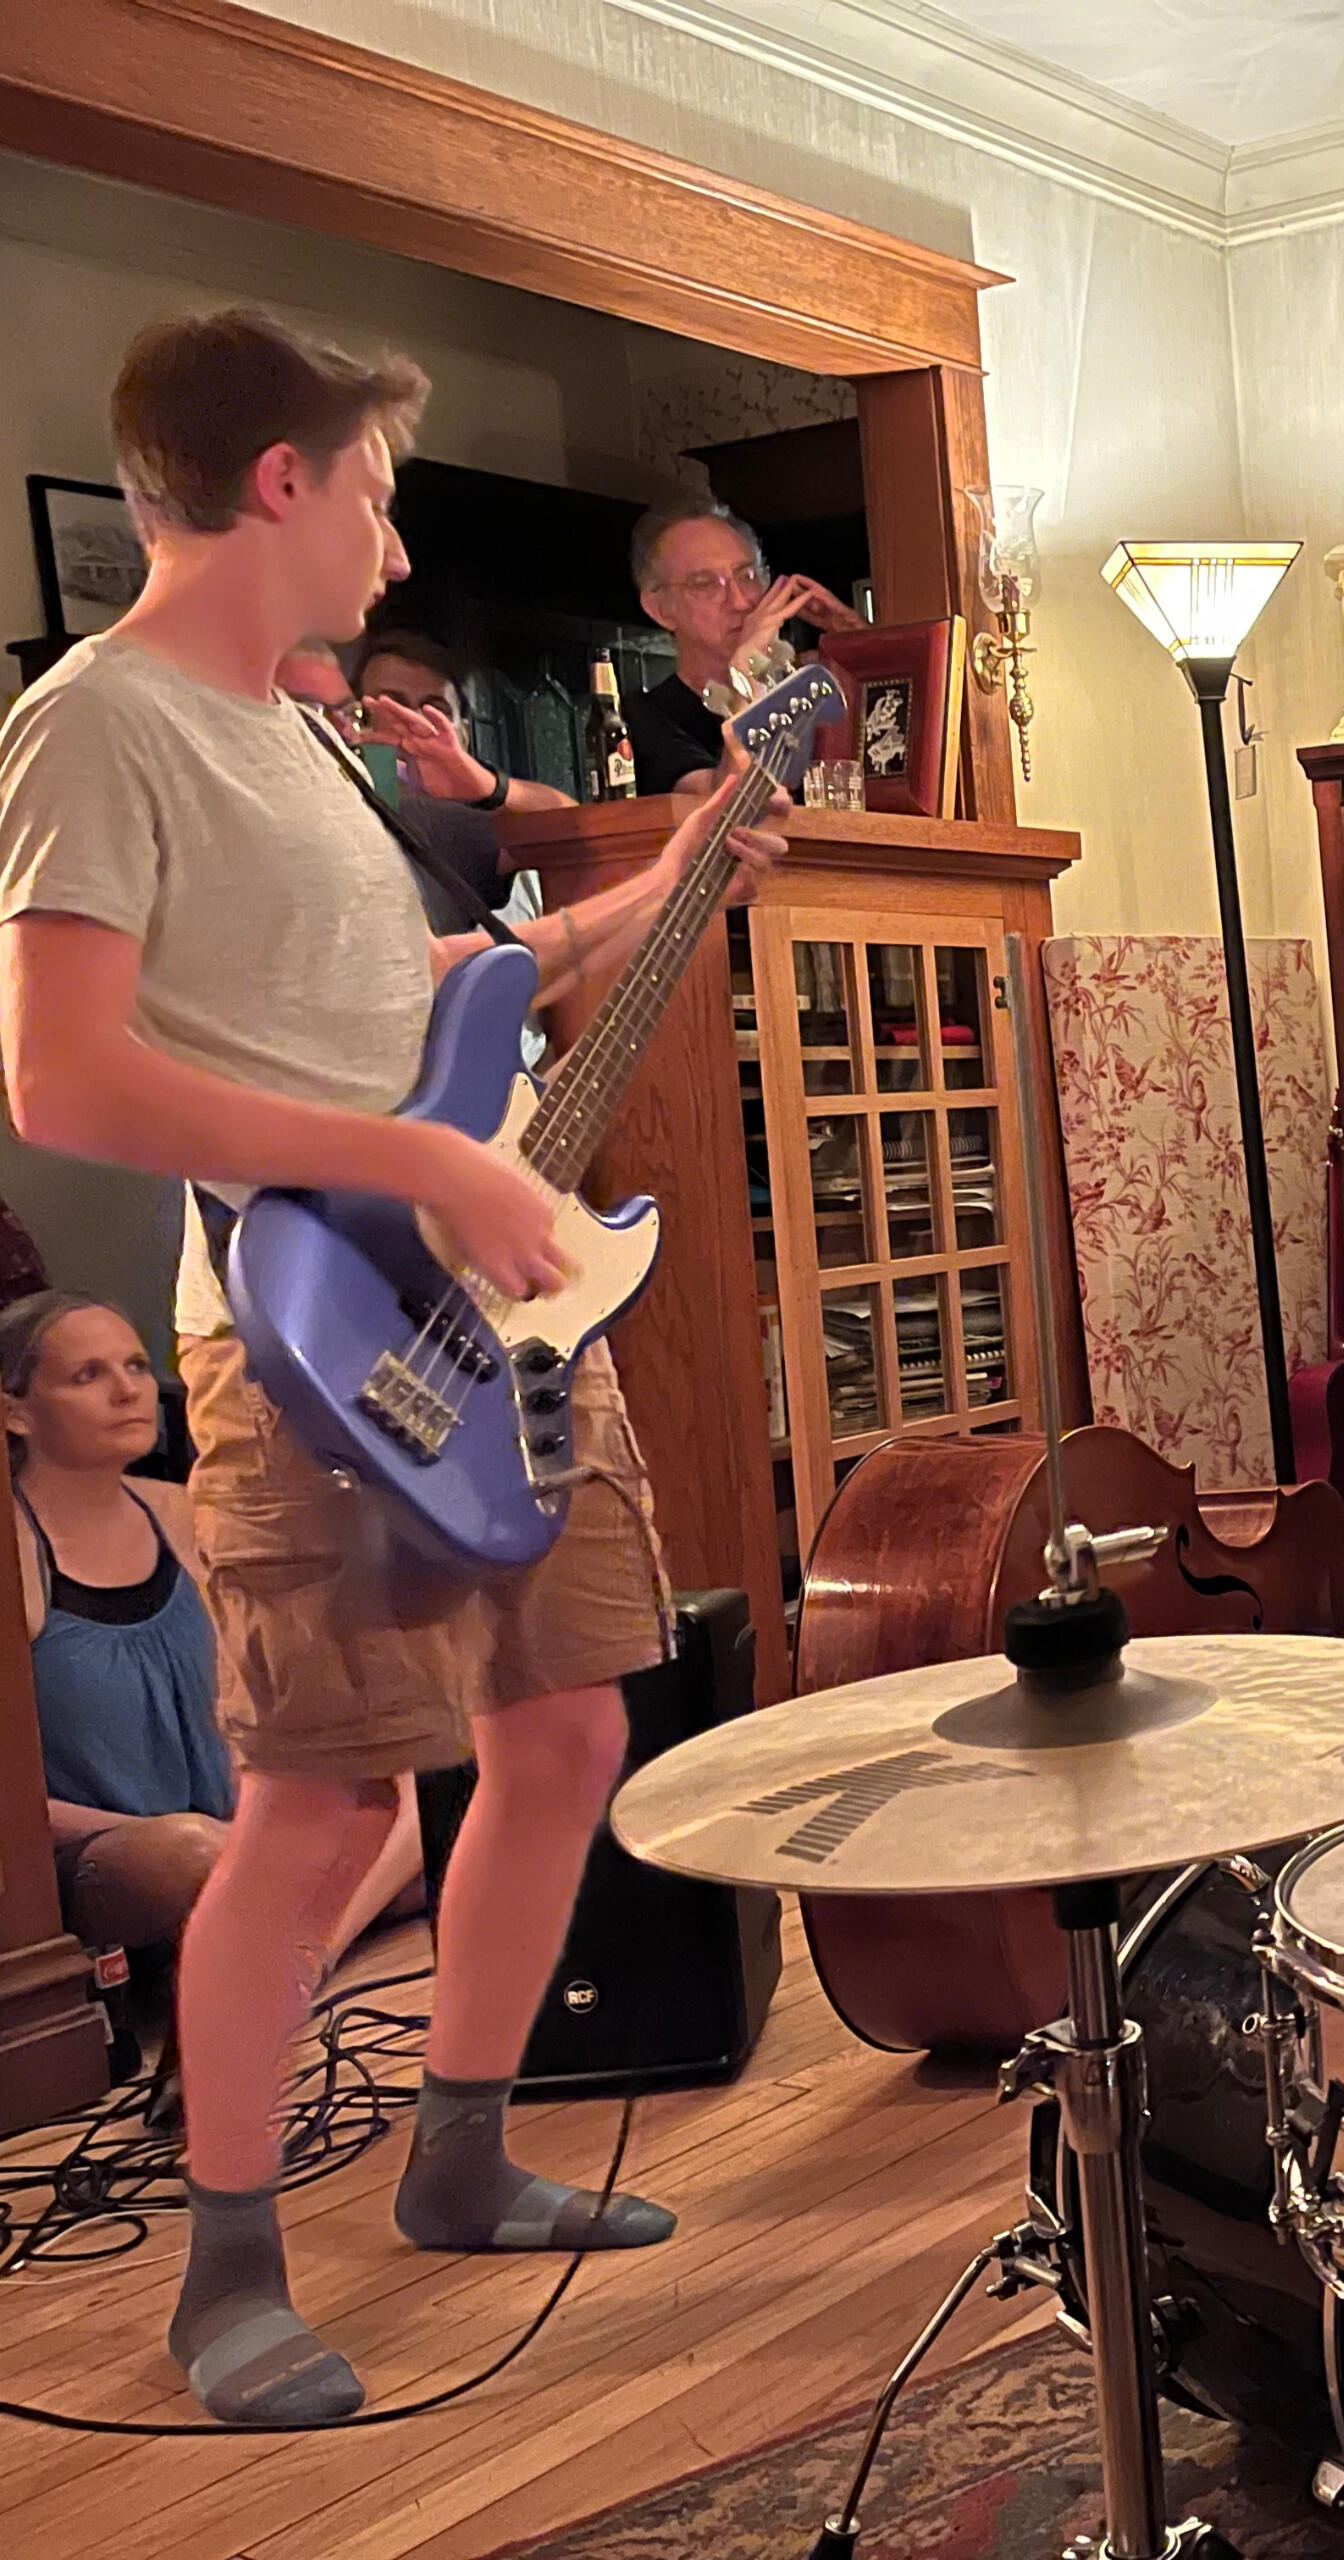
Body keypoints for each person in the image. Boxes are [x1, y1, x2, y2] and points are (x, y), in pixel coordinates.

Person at [0, 304, 786, 2428]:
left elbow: (432, 988)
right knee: (325, 1801)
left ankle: (458, 2149)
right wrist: (421, 1155)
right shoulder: (99, 723)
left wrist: (675, 875)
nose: (395, 541)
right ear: (280, 480)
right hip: (309, 1338)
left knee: (567, 1729)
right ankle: (227, 2269)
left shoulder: (303, 737)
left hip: (496, 1307)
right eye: (373, 491)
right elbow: (62, 1078)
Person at [11, 1290, 419, 1972]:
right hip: (119, 1856)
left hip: (239, 1830)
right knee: (192, 1853)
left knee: (431, 1782)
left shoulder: (185, 1512)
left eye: (136, 1367)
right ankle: (297, 1932)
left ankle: (308, 1953)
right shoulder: (13, 1552)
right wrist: (210, 1835)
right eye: (88, 1375)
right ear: (15, 1412)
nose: (128, 1391)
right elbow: (17, 1810)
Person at [274, 639, 555, 932]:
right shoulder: (321, 826)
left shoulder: (462, 830)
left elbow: (570, 824)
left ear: (464, 735)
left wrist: (486, 784)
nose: (414, 724)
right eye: (390, 708)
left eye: (435, 711)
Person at [627, 495, 863, 796]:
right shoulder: (646, 719)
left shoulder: (809, 688)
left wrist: (862, 649)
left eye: (748, 576)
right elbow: (730, 806)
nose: (740, 602)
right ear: (660, 609)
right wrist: (748, 673)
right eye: (705, 584)